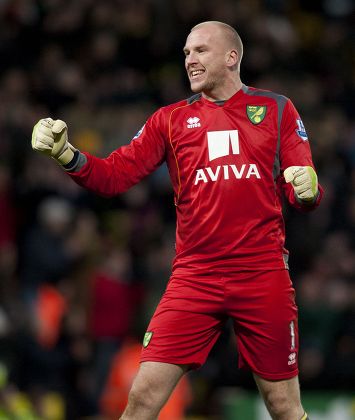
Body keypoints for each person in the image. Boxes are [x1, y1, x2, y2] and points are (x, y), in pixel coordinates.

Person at [31, 20, 323, 420]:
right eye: (186, 53)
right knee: (142, 397)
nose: (190, 60)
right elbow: (116, 175)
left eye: (200, 50)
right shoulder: (169, 120)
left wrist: (308, 190)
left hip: (262, 273)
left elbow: (301, 186)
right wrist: (68, 155)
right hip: (195, 277)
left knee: (284, 406)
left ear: (231, 57)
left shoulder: (276, 109)